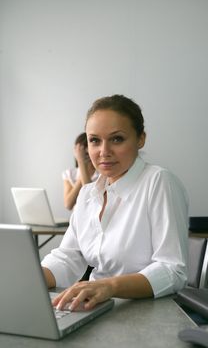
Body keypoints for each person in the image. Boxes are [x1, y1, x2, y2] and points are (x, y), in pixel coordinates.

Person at [42, 94, 189, 312]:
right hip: (97, 306)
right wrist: (31, 277)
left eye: (117, 139)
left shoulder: (158, 182)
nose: (104, 152)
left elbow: (173, 270)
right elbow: (69, 257)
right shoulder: (87, 194)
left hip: (148, 310)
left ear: (141, 139)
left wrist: (109, 286)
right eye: (94, 140)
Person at [62, 132, 98, 210]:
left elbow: (89, 198)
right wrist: (82, 166)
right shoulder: (69, 173)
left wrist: (81, 163)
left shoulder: (102, 173)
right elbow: (68, 205)